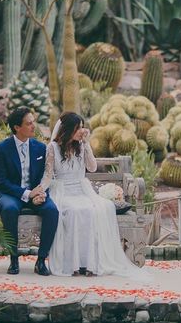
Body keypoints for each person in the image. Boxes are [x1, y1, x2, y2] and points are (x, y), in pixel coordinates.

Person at [41, 112, 151, 281]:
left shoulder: (81, 146)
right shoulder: (53, 148)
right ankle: (73, 264)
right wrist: (38, 190)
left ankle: (91, 263)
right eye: (78, 128)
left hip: (82, 189)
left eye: (82, 127)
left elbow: (92, 168)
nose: (82, 131)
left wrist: (87, 144)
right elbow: (48, 176)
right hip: (63, 190)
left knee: (98, 209)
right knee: (75, 211)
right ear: (68, 129)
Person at [0, 107, 58, 276]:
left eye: (33, 122)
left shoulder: (40, 147)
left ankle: (41, 261)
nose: (33, 126)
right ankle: (14, 259)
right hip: (10, 194)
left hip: (36, 194)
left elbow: (46, 175)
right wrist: (28, 194)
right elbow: (2, 182)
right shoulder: (2, 148)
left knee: (51, 210)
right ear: (16, 127)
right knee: (10, 209)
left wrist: (41, 193)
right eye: (28, 123)